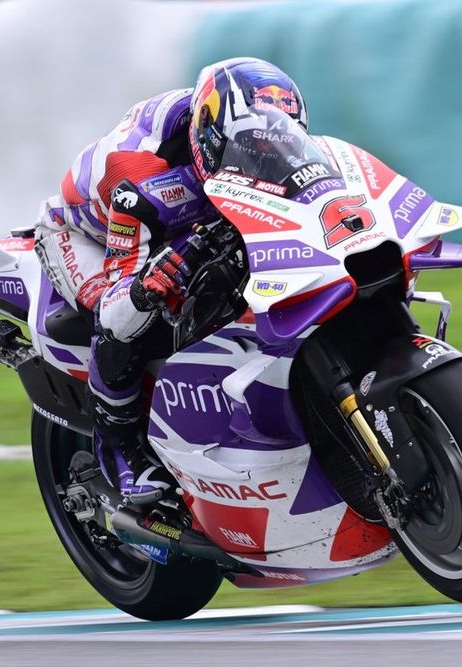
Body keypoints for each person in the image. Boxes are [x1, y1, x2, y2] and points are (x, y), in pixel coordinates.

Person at [33, 57, 309, 502]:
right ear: (208, 141)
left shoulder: (253, 121)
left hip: (186, 207)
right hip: (88, 234)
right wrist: (143, 288)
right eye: (245, 152)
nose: (258, 161)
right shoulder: (140, 178)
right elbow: (118, 309)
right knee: (129, 319)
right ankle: (120, 449)